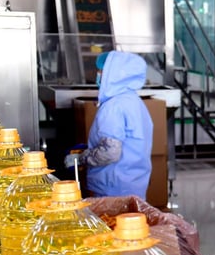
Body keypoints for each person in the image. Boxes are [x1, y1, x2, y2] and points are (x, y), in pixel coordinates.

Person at [65, 51, 153, 199]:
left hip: (113, 187)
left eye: (101, 70)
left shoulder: (113, 106)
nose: (98, 74)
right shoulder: (135, 102)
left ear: (114, 74)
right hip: (134, 184)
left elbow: (110, 152)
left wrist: (81, 159)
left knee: (110, 222)